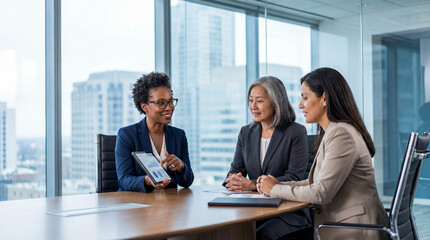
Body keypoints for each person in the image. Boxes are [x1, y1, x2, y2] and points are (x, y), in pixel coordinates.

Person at [258, 67, 389, 240]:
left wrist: (275, 189)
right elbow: (314, 183)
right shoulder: (335, 131)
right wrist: (279, 186)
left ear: (324, 98)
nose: (300, 105)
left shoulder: (341, 134)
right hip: (342, 224)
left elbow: (321, 192)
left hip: (353, 229)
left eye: (305, 97)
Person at [224, 76, 312, 239]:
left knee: (259, 235)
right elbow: (235, 172)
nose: (253, 106)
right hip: (255, 209)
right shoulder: (246, 132)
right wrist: (234, 180)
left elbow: (294, 177)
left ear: (275, 102)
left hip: (288, 212)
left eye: (259, 101)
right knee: (228, 231)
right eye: (251, 100)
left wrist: (251, 184)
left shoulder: (296, 132)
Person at [115, 72, 194, 192]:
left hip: (171, 205)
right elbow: (124, 180)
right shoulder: (127, 135)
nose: (169, 107)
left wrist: (181, 167)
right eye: (161, 103)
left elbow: (187, 181)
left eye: (171, 101)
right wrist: (147, 180)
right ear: (144, 106)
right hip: (138, 205)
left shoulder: (179, 136)